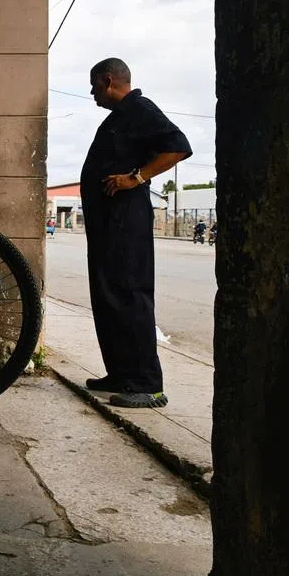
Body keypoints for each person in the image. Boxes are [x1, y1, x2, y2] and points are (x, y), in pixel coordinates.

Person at [81, 58, 191, 408]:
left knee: (130, 296)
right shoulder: (120, 117)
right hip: (108, 226)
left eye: (94, 85)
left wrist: (137, 177)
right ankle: (121, 374)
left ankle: (148, 384)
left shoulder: (140, 108)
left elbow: (179, 146)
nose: (92, 92)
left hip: (127, 224)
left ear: (108, 80)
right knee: (108, 297)